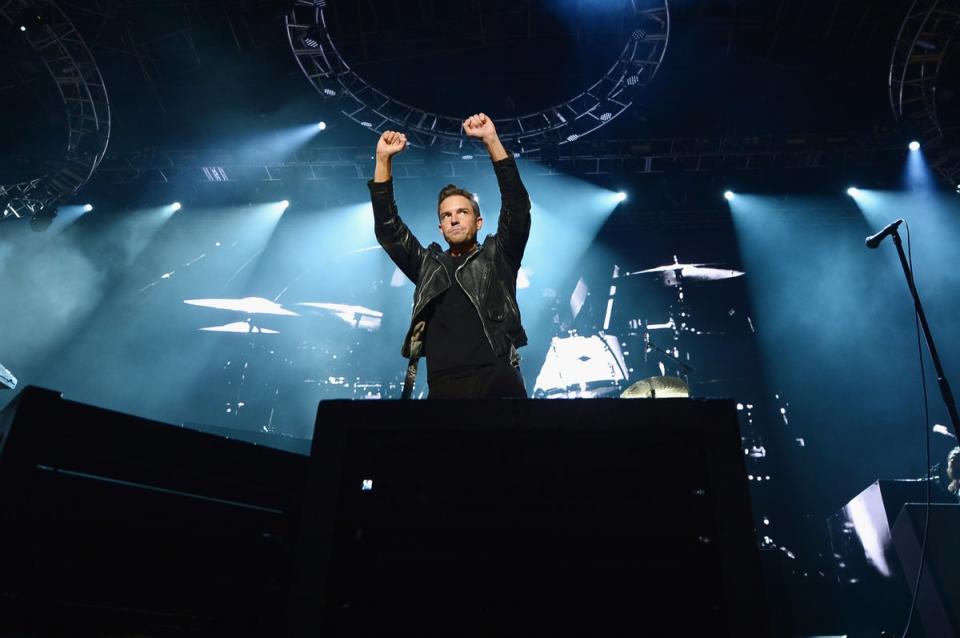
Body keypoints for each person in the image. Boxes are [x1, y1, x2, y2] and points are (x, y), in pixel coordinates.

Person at [368, 113, 531, 399]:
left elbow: (517, 206)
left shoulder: (498, 255)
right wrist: (383, 160)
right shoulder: (428, 265)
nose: (454, 219)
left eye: (462, 212)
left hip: (496, 379)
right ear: (440, 227)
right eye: (446, 215)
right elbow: (388, 230)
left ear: (478, 222)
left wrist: (491, 139)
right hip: (444, 385)